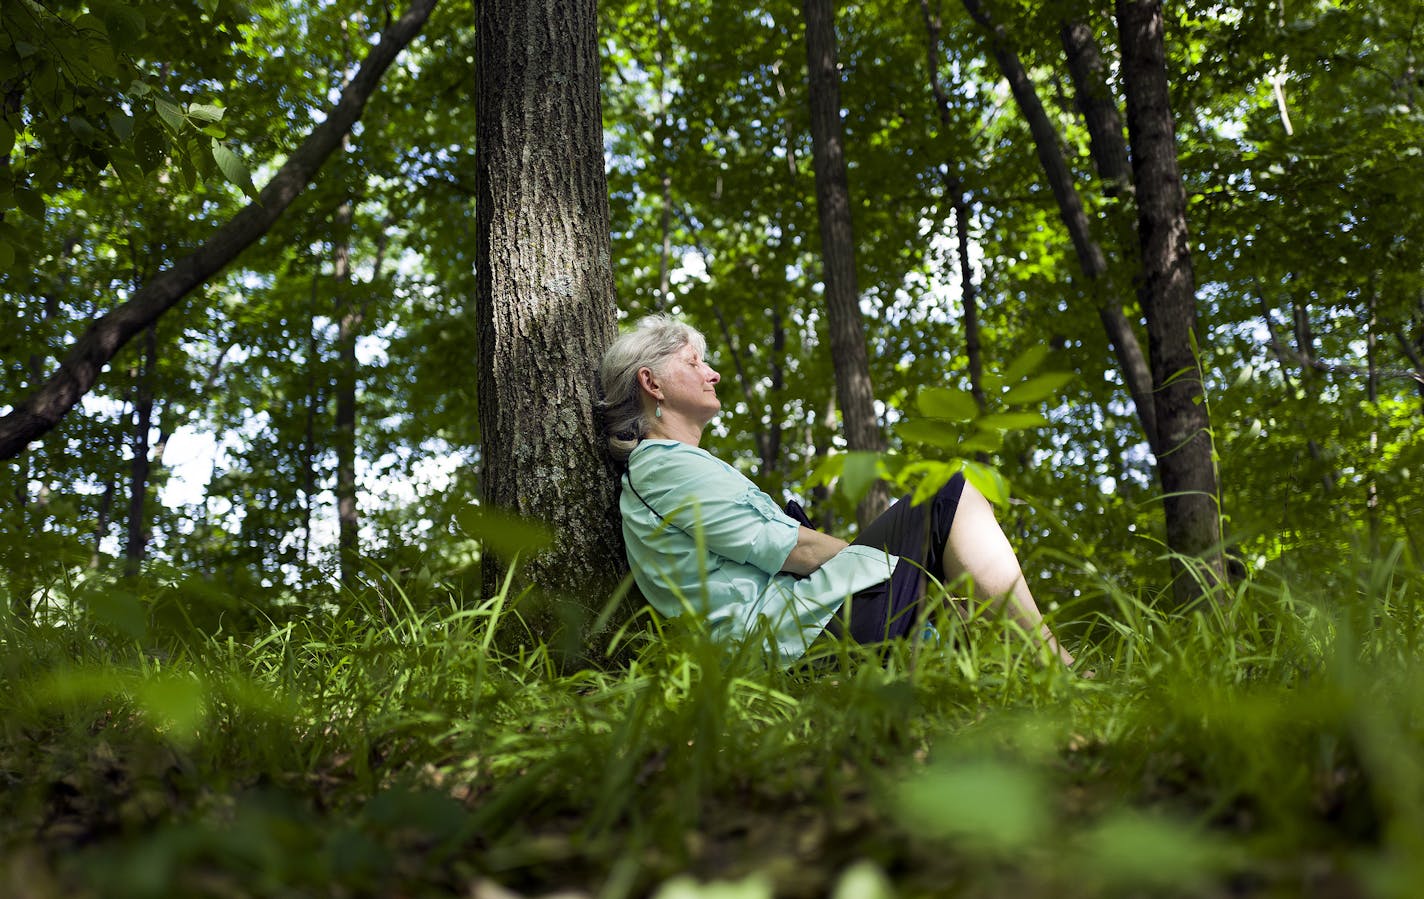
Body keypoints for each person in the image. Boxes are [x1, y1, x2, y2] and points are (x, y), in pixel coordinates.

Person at [597, 314, 1076, 668]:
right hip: (793, 639)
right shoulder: (664, 466)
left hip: (799, 630)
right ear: (651, 382)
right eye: (694, 362)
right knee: (952, 490)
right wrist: (915, 574)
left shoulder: (674, 467)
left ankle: (1011, 664)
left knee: (947, 524)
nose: (712, 373)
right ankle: (1057, 667)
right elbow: (797, 550)